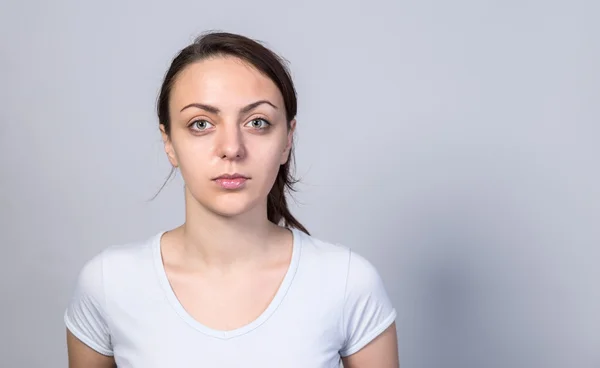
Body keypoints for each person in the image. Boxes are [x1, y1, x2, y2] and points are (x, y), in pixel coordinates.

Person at [64, 31, 399, 368]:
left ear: (287, 141)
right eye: (201, 124)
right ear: (168, 142)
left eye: (257, 122)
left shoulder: (346, 282)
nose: (231, 148)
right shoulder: (109, 284)